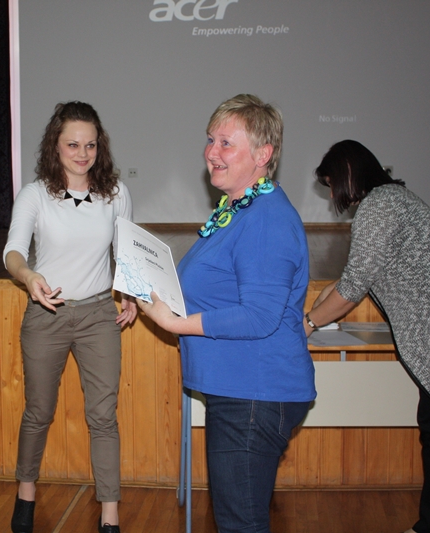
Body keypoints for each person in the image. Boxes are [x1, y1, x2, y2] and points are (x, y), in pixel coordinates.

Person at [138, 94, 315, 533]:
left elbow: (258, 316)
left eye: (226, 143)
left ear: (263, 155)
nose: (211, 152)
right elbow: (210, 291)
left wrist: (175, 323)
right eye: (210, 140)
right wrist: (144, 290)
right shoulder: (238, 210)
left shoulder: (266, 219)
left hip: (255, 394)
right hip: (241, 391)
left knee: (240, 524)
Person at [304, 140, 430, 533]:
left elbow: (353, 289)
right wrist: (319, 306)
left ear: (348, 174)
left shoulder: (379, 206)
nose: (333, 196)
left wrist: (309, 324)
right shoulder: (393, 200)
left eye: (332, 185)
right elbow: (356, 277)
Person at [3, 101, 137, 533]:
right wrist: (28, 276)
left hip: (98, 315)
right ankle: (26, 493)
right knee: (38, 411)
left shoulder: (116, 194)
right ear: (55, 146)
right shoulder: (35, 194)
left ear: (100, 146)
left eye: (90, 145)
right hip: (48, 314)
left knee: (103, 416)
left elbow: (126, 253)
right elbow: (13, 252)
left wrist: (129, 293)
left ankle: (110, 515)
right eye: (73, 144)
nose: (82, 153)